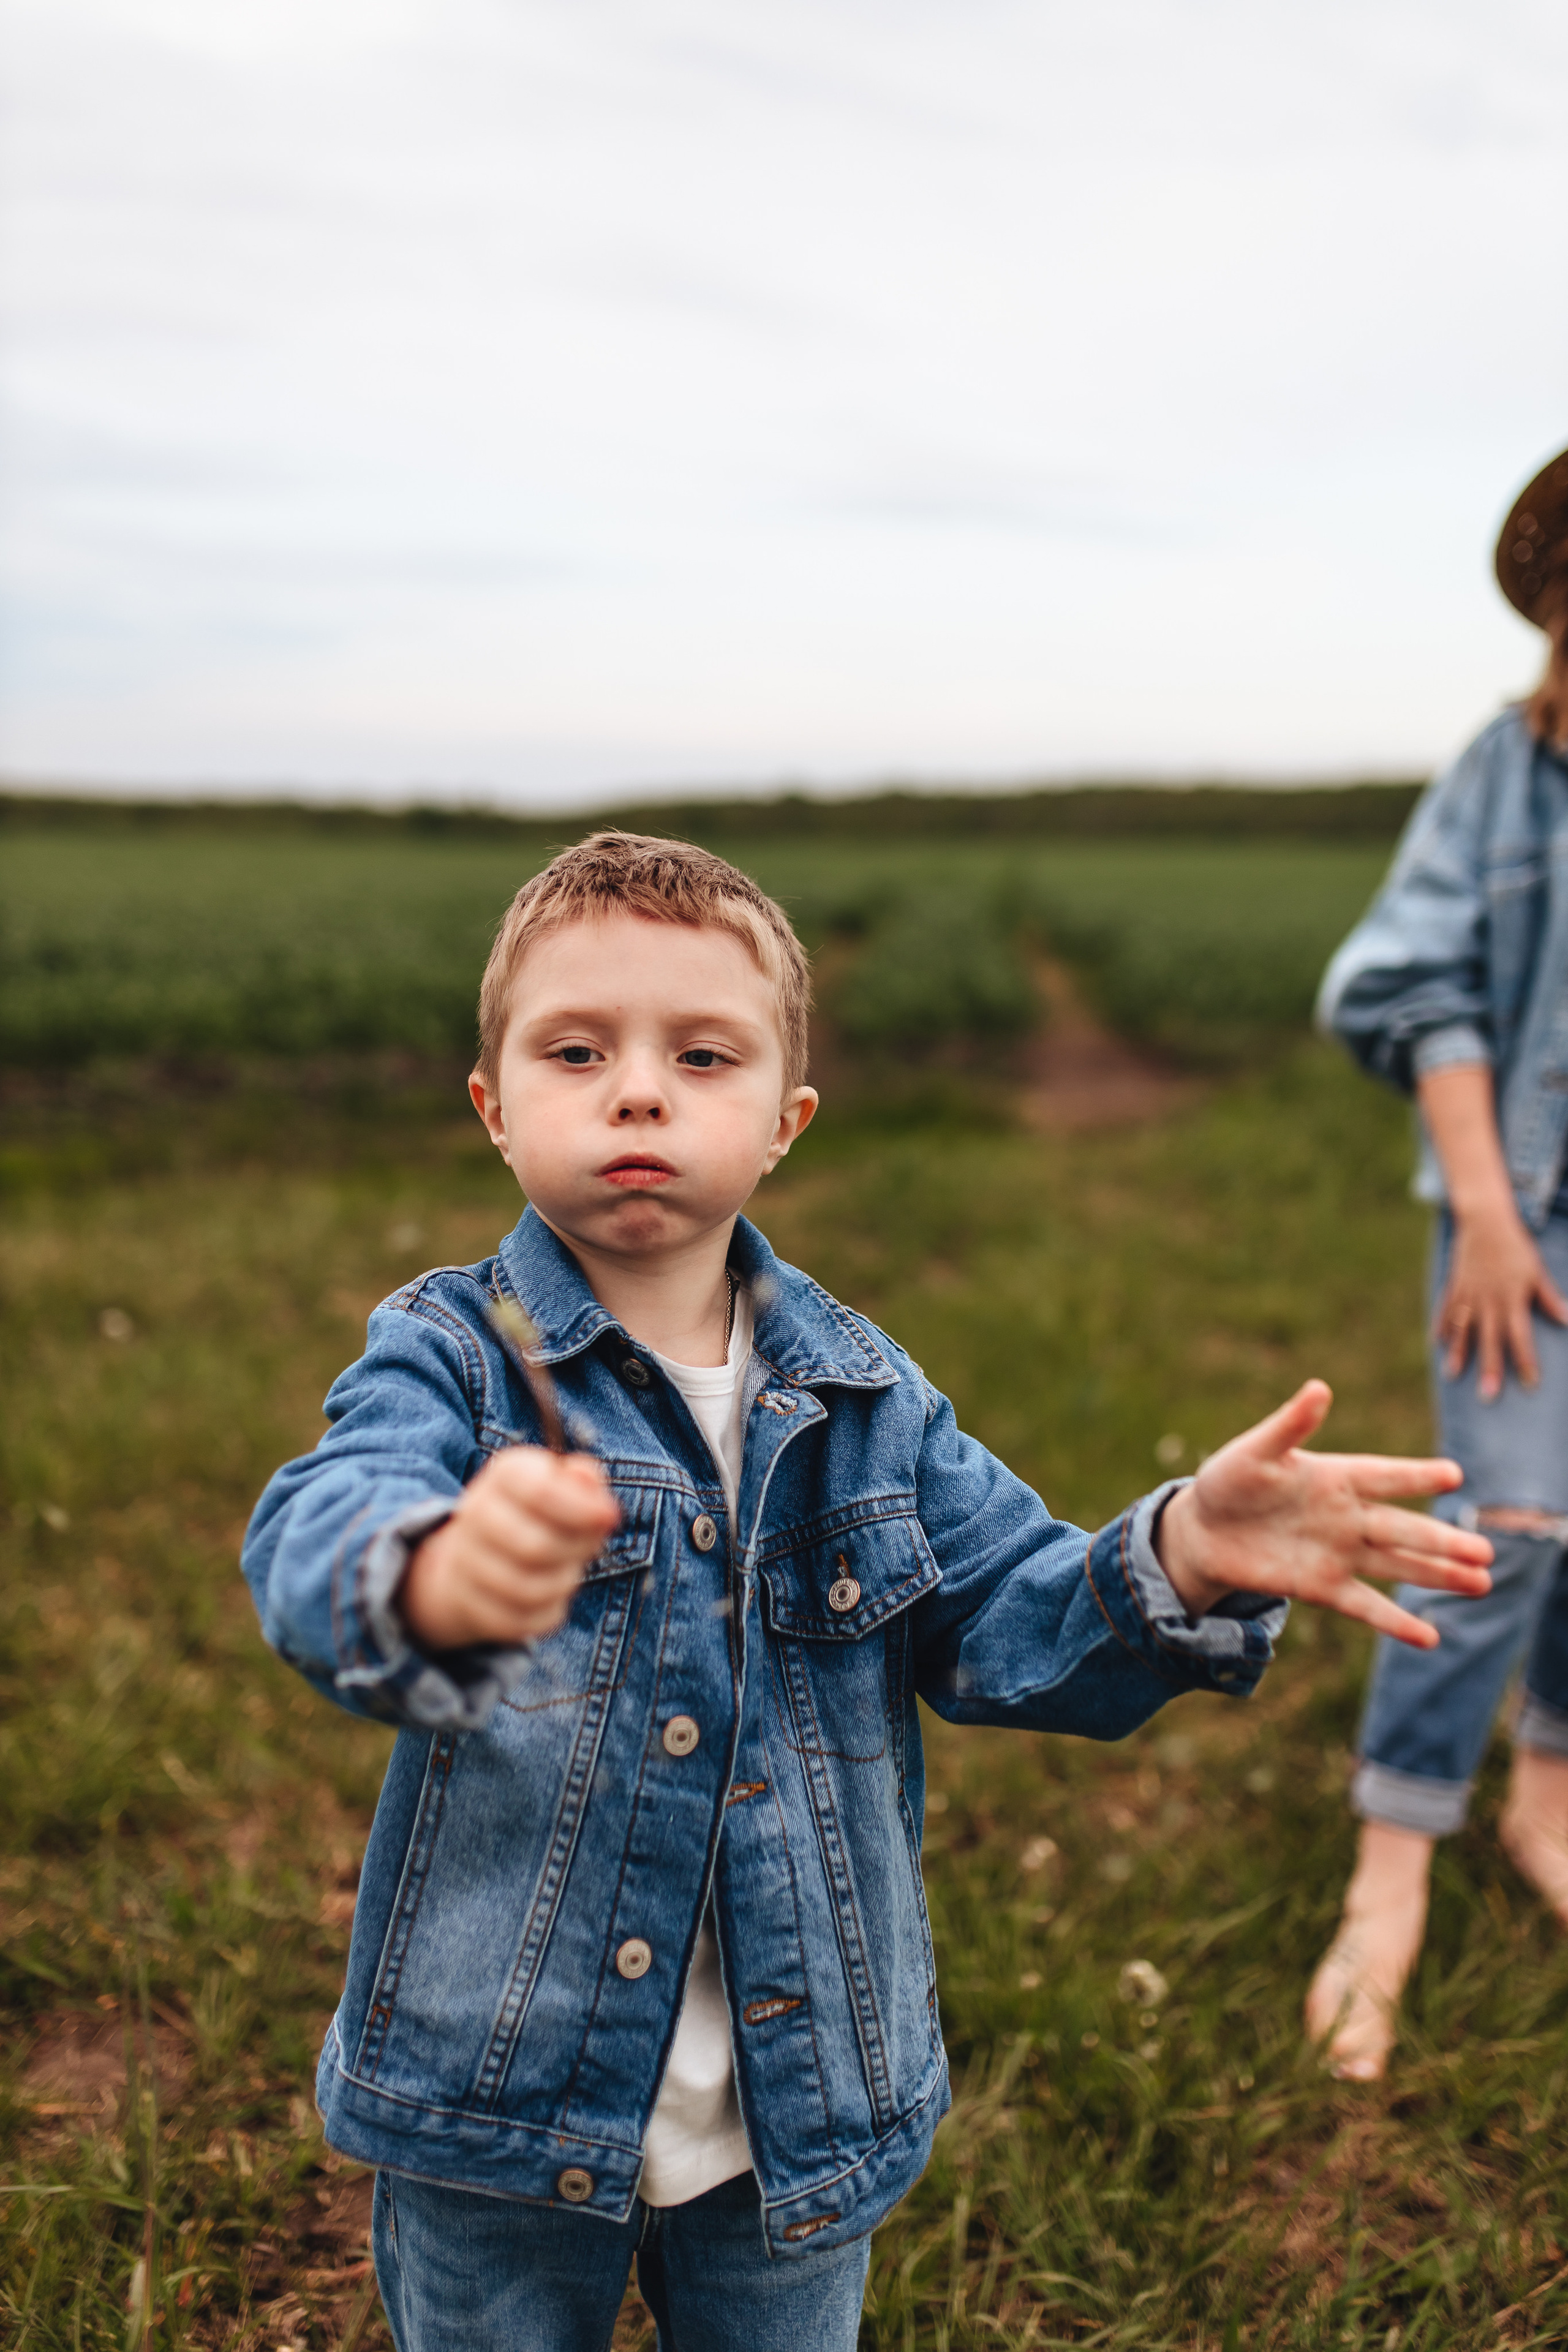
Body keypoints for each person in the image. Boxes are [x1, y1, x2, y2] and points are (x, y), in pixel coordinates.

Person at [244, 832, 1490, 2352]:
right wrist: (429, 1572)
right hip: (492, 2095)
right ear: (496, 1107)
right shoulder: (450, 1356)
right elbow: (324, 1516)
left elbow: (1012, 1624)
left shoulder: (865, 1400)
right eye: (578, 1051)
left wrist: (1177, 1555)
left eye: (703, 1056)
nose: (637, 1090)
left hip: (799, 2110)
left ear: (785, 1120)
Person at [1308, 445, 1568, 2082]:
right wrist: (1484, 1205)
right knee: (1509, 1526)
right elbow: (1413, 987)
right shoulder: (1509, 774)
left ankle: (1546, 1801)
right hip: (1527, 1217)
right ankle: (1388, 1864)